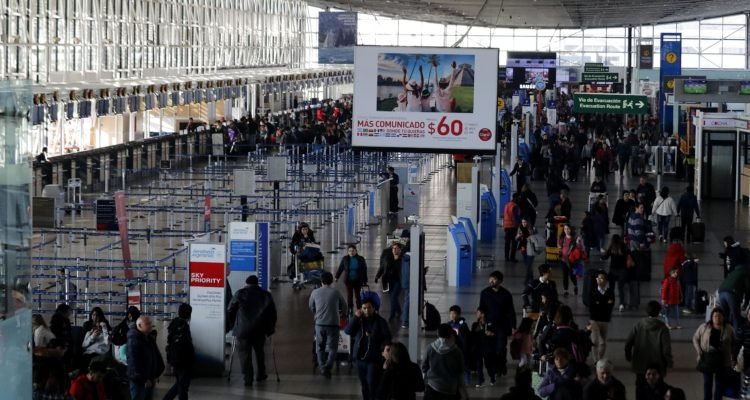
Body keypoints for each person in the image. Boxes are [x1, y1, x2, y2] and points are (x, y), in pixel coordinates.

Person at [227, 275, 277, 387]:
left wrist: (233, 325)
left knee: (244, 355)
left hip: (242, 330)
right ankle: (261, 374)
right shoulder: (266, 295)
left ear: (246, 283)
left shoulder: (239, 294)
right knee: (260, 352)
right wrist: (270, 328)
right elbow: (272, 313)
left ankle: (248, 379)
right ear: (257, 283)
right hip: (260, 329)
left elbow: (230, 310)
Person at [345, 298, 391, 400]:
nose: (367, 310)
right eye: (364, 308)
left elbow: (388, 338)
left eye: (369, 308)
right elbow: (347, 331)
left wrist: (376, 339)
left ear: (374, 308)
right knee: (364, 385)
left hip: (373, 359)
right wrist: (355, 318)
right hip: (359, 358)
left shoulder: (380, 321)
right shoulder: (359, 320)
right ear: (361, 309)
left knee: (372, 384)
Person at [624, 301, 673, 397]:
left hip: (640, 364)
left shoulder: (639, 325)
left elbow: (628, 343)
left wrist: (628, 356)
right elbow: (666, 349)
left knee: (640, 389)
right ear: (658, 312)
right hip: (657, 366)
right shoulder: (662, 328)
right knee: (657, 390)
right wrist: (669, 363)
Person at [309, 271, 347, 378]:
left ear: (321, 281)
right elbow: (344, 306)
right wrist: (342, 314)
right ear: (331, 281)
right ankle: (328, 366)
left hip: (320, 324)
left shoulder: (315, 292)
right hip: (333, 324)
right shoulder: (336, 292)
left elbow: (311, 306)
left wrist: (317, 313)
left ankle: (322, 367)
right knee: (333, 348)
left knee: (319, 347)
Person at [693, 308, 737, 400]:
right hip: (707, 359)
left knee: (719, 384)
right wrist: (700, 352)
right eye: (715, 316)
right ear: (711, 317)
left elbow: (734, 343)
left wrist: (733, 357)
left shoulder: (729, 329)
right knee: (707, 383)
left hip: (723, 360)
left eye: (720, 316)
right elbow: (695, 338)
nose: (717, 318)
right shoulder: (704, 327)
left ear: (723, 317)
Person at [478, 270, 516, 377]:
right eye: (490, 278)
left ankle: (501, 367)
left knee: (500, 348)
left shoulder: (506, 294)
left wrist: (513, 326)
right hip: (489, 325)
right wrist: (481, 319)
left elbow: (511, 311)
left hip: (502, 326)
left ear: (500, 281)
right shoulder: (484, 293)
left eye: (494, 279)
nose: (491, 281)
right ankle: (494, 367)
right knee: (491, 348)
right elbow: (482, 307)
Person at [422, 324, 467, 400]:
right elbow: (460, 373)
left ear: (438, 333)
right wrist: (464, 394)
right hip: (450, 390)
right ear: (451, 334)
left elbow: (424, 368)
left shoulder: (430, 348)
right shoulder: (456, 351)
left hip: (432, 388)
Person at [127, 315, 165, 400]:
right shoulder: (134, 340)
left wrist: (157, 373)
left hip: (150, 378)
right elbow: (134, 363)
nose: (151, 325)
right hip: (139, 381)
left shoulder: (149, 338)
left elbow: (156, 356)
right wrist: (143, 379)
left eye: (150, 323)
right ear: (140, 326)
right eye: (148, 324)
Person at [164, 303, 196, 400]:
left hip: (175, 359)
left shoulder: (174, 323)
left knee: (180, 384)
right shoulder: (183, 327)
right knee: (182, 386)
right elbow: (186, 346)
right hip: (183, 361)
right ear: (189, 314)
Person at [589, 270, 615, 361]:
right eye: (598, 278)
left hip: (605, 319)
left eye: (602, 278)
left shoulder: (610, 292)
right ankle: (596, 360)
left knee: (603, 342)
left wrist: (599, 304)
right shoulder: (593, 291)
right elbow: (591, 306)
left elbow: (610, 306)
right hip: (594, 320)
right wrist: (604, 304)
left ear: (606, 281)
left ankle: (600, 358)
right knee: (595, 341)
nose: (600, 280)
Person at [375, 242, 404, 322]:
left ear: (400, 250)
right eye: (393, 248)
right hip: (389, 281)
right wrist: (377, 276)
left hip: (399, 281)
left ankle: (392, 315)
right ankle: (399, 311)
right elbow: (382, 267)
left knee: (393, 297)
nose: (394, 250)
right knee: (393, 298)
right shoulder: (388, 258)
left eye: (396, 248)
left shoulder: (403, 260)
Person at [335, 244, 368, 313]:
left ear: (356, 251)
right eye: (349, 251)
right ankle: (350, 308)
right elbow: (341, 268)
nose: (351, 252)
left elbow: (364, 269)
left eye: (353, 251)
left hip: (358, 280)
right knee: (349, 295)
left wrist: (365, 280)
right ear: (347, 252)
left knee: (358, 295)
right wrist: (336, 276)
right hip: (348, 280)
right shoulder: (345, 259)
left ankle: (359, 308)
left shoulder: (361, 259)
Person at [718, 263, 750, 332]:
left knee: (724, 317)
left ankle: (723, 335)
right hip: (731, 293)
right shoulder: (745, 272)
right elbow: (748, 289)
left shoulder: (733, 272)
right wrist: (746, 303)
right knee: (736, 317)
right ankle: (735, 338)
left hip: (721, 292)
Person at [471, 306, 497, 387]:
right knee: (479, 365)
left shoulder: (490, 323)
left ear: (482, 314)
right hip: (478, 348)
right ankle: (480, 380)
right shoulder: (475, 325)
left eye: (478, 313)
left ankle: (492, 377)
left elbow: (497, 334)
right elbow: (472, 336)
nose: (476, 314)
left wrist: (491, 334)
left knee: (488, 364)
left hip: (488, 348)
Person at [447, 305, 472, 384]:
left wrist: (464, 350)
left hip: (461, 349)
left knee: (465, 366)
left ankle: (467, 382)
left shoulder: (463, 325)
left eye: (454, 313)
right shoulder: (449, 324)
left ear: (459, 314)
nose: (452, 315)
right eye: (450, 313)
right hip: (452, 349)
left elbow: (464, 339)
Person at [558, 224, 583, 296]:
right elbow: (560, 247)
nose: (566, 230)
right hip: (563, 260)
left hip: (572, 261)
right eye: (565, 229)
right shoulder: (562, 238)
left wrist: (578, 242)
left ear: (571, 230)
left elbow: (580, 248)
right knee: (564, 276)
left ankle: (575, 286)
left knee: (572, 276)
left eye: (568, 229)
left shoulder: (575, 239)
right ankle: (566, 290)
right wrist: (560, 250)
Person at [516, 217, 539, 285]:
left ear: (528, 222)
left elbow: (537, 238)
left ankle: (527, 280)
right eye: (522, 222)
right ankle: (531, 278)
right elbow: (516, 238)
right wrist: (518, 236)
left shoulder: (532, 228)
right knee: (527, 265)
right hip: (523, 249)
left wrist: (531, 237)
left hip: (531, 249)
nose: (524, 224)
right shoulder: (520, 228)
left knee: (529, 265)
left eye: (525, 222)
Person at [503, 193, 521, 262]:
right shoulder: (515, 206)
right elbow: (516, 217)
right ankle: (512, 257)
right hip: (513, 226)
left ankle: (506, 257)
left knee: (507, 242)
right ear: (515, 198)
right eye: (518, 198)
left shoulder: (507, 205)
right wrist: (520, 224)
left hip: (506, 226)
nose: (519, 200)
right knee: (514, 242)